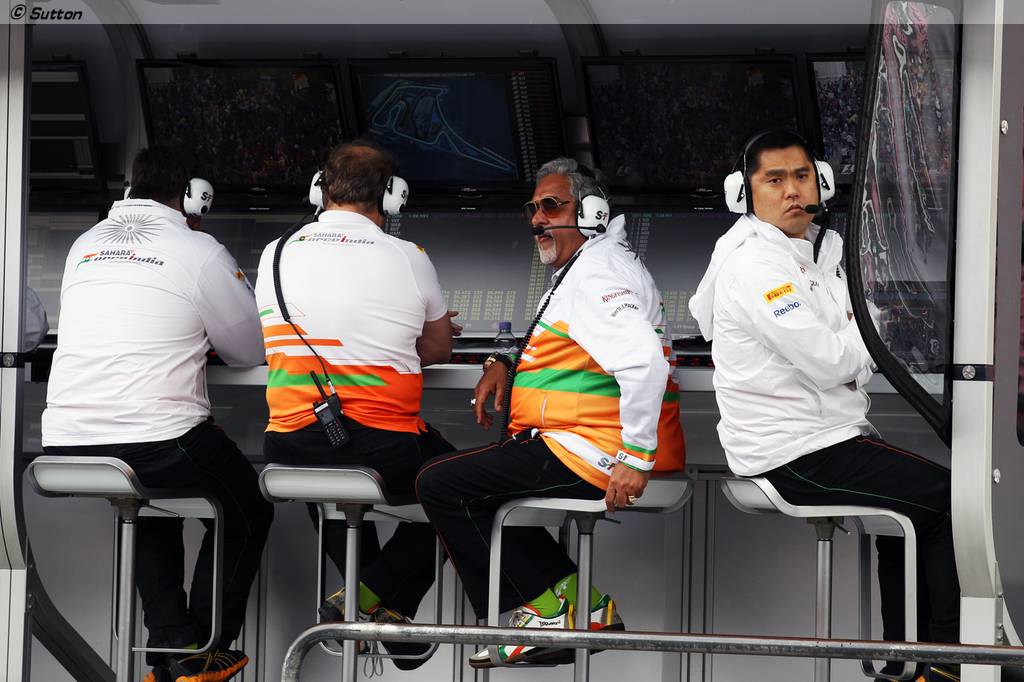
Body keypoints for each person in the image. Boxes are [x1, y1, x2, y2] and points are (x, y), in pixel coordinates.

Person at [688, 128, 960, 682]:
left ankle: (907, 660)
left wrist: (854, 337)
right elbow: (834, 360)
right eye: (774, 180)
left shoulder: (819, 251)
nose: (792, 190)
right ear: (745, 193)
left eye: (802, 176)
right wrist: (867, 330)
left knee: (908, 507)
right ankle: (949, 661)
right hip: (791, 453)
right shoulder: (754, 266)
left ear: (822, 183)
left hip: (825, 437)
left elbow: (846, 341)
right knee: (948, 500)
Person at [416, 157, 686, 668]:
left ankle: (539, 612)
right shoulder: (584, 269)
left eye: (551, 207)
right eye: (533, 209)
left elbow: (644, 362)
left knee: (439, 484)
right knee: (482, 483)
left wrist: (636, 457)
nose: (537, 219)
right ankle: (585, 608)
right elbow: (563, 341)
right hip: (577, 441)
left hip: (596, 450)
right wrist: (503, 362)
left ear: (593, 213)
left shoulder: (598, 273)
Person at [41, 145, 273, 682]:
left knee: (149, 499)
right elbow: (250, 351)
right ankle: (206, 648)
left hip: (67, 439)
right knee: (249, 505)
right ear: (192, 198)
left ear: (130, 189)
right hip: (155, 438)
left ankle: (174, 643)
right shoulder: (199, 249)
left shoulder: (84, 244)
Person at [254, 141, 459, 669]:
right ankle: (378, 596)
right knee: (461, 483)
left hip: (288, 447)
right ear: (392, 196)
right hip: (382, 444)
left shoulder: (274, 252)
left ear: (319, 190)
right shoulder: (408, 256)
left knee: (331, 485)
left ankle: (371, 601)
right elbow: (438, 349)